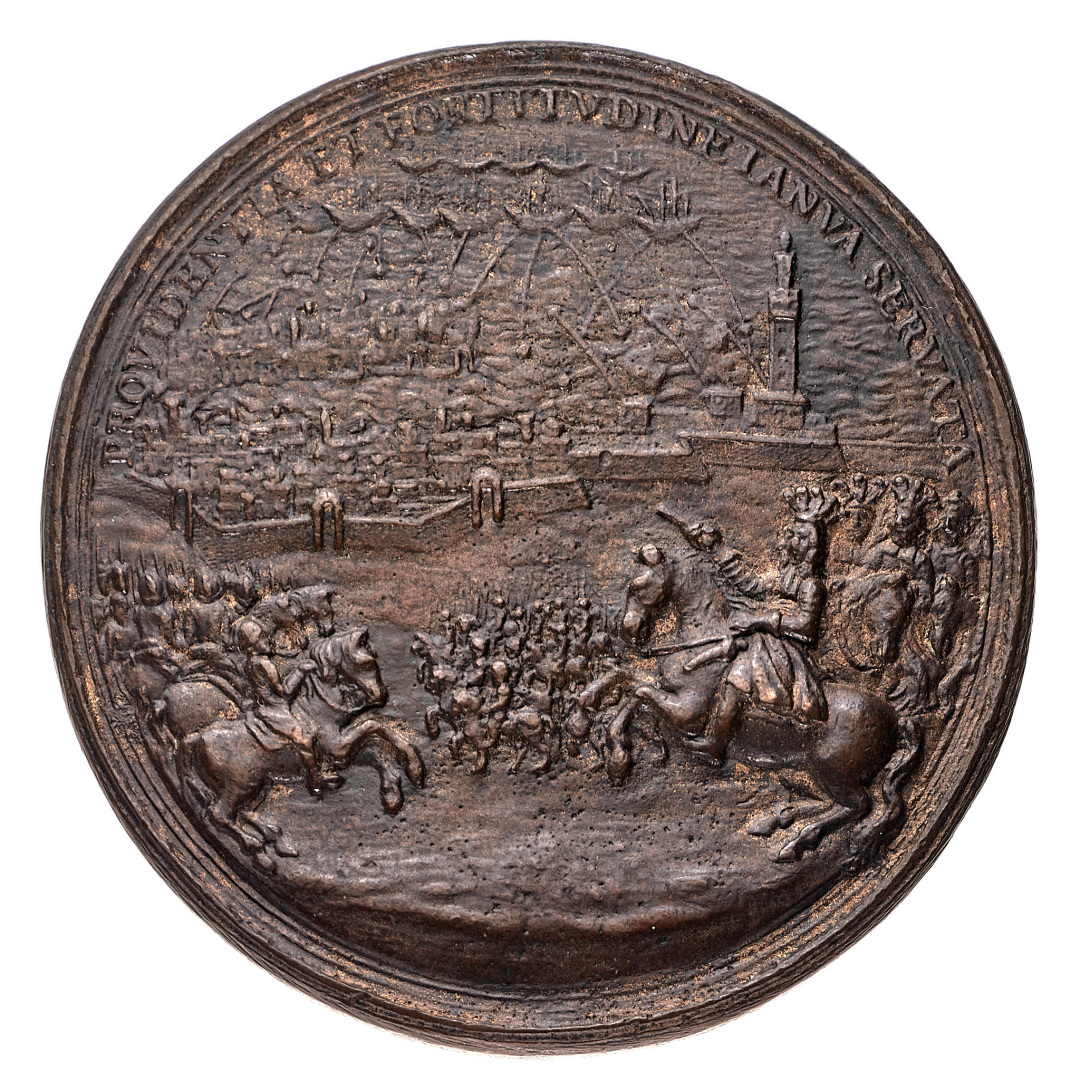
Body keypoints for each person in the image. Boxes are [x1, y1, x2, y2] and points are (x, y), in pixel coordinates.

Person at [237, 619, 328, 795]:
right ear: (252, 647)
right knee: (304, 738)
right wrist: (301, 671)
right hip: (275, 709)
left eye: (265, 635)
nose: (267, 640)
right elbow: (285, 691)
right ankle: (316, 779)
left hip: (264, 707)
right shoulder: (264, 664)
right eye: (261, 638)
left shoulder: (248, 662)